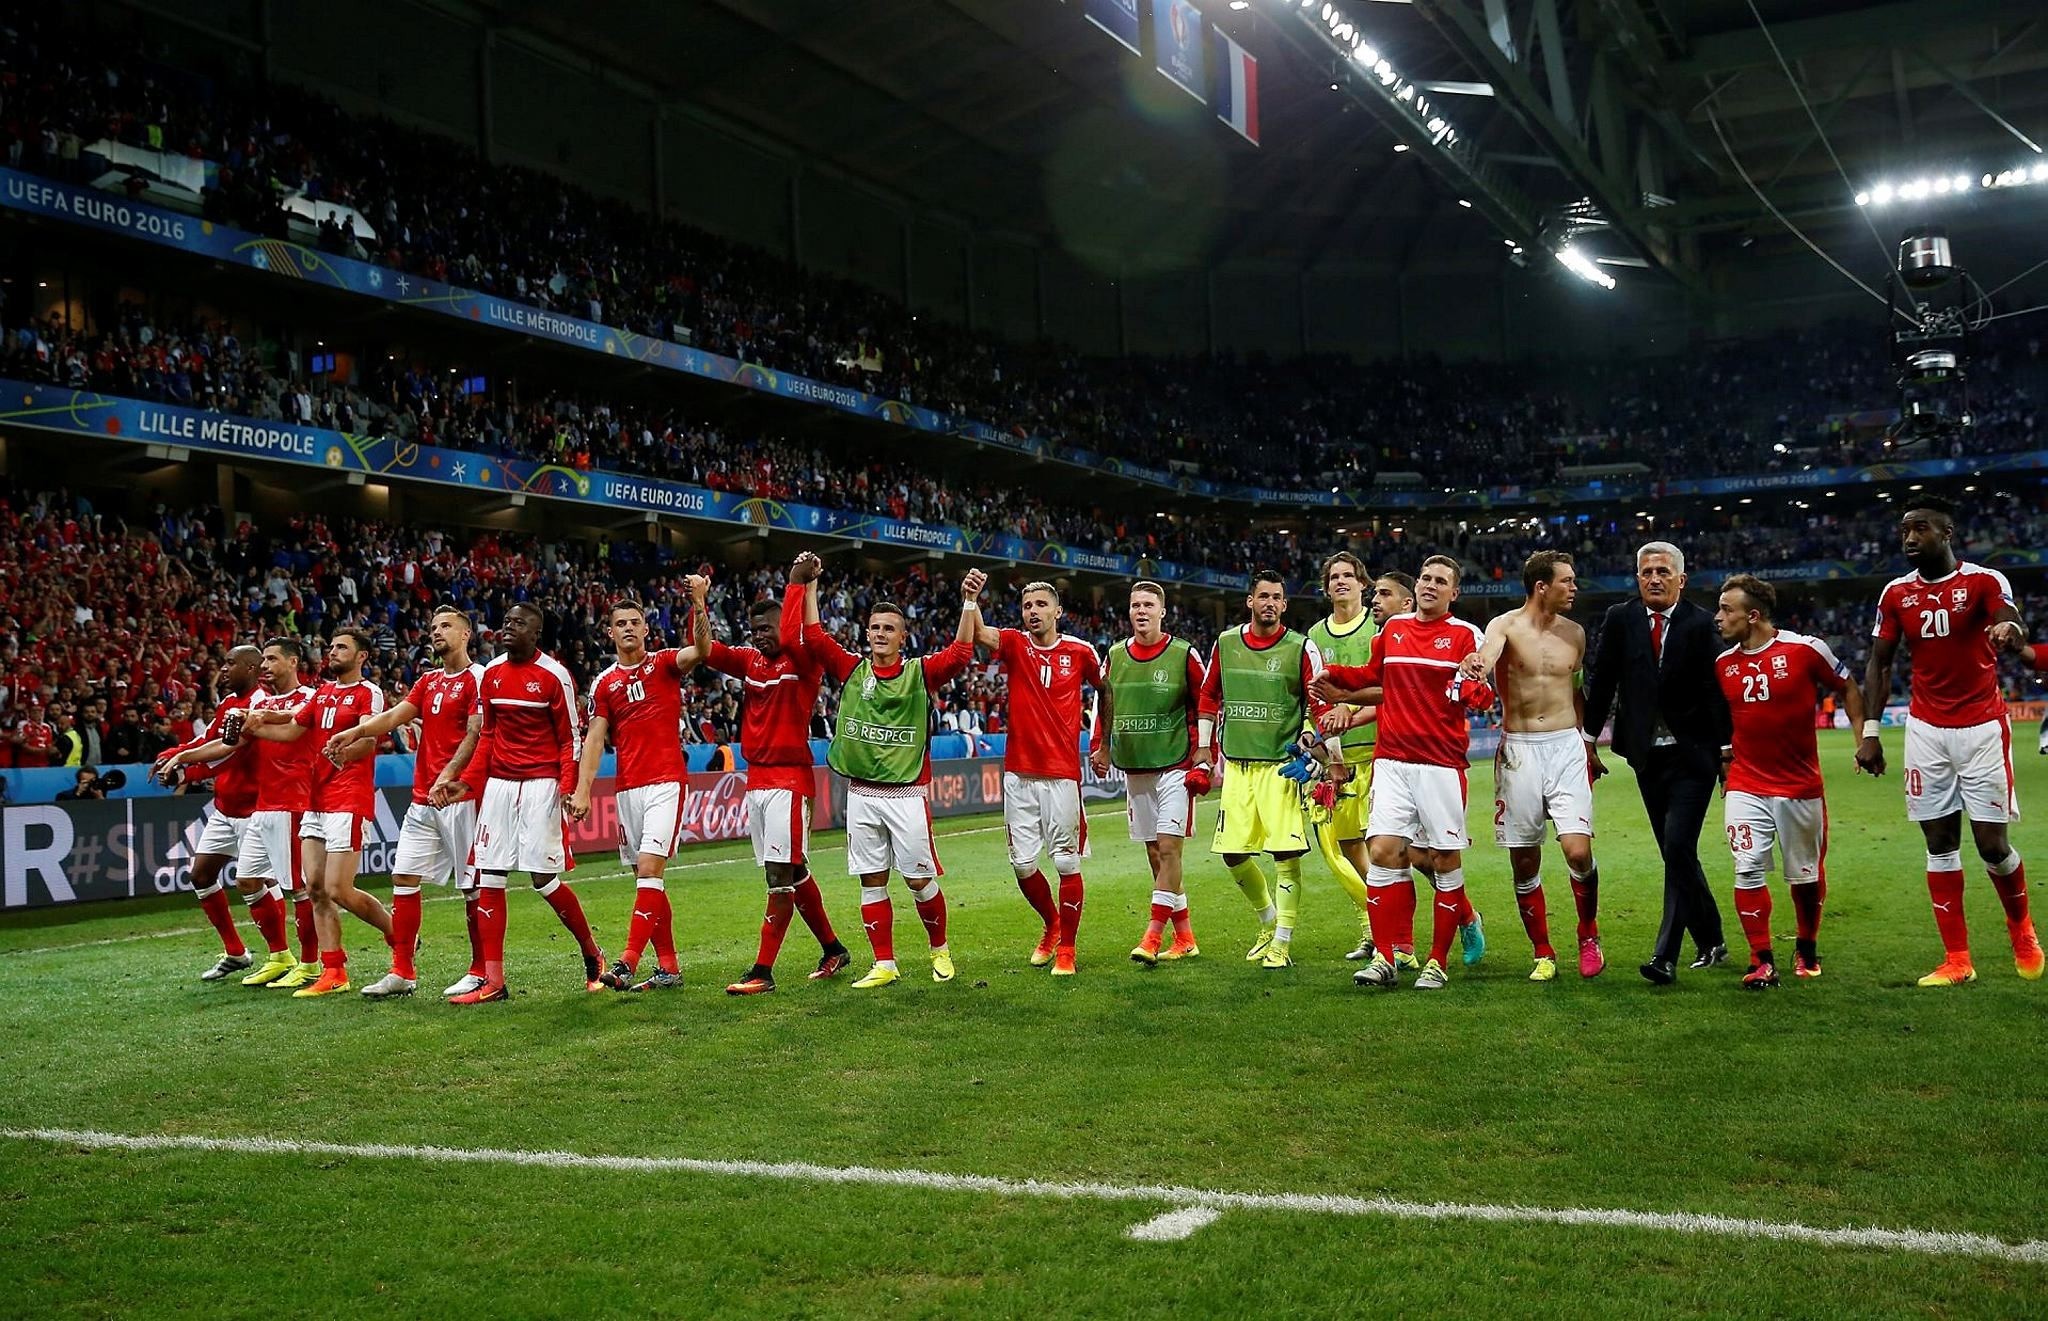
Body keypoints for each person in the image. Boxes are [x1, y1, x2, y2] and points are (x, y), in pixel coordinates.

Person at [1859, 499, 2039, 985]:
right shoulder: (1896, 593)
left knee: (1991, 846)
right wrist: (1870, 733)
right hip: (1926, 730)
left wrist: (2008, 627)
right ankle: (1957, 960)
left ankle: (2021, 927)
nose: (1910, 537)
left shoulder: (1983, 580)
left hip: (1982, 727)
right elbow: (1879, 663)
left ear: (1947, 532)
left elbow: (2009, 618)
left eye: (1920, 529)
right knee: (1939, 842)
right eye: (1904, 531)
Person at [798, 561, 978, 989]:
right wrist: (810, 585)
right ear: (867, 633)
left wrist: (969, 601)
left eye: (888, 628)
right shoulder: (852, 670)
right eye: (874, 627)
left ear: (903, 636)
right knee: (871, 880)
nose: (879, 633)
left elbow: (960, 654)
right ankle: (884, 964)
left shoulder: (919, 673)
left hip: (905, 794)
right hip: (860, 792)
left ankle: (940, 951)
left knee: (919, 880)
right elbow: (814, 637)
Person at [1317, 555, 1487, 990]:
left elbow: (1481, 692)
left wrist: (1475, 688)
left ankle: (1437, 961)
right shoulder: (1393, 630)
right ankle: (1387, 957)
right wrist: (1334, 678)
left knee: (1444, 861)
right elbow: (1373, 677)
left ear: (1454, 592)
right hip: (1391, 762)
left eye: (1441, 581)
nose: (1431, 585)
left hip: (1441, 766)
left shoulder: (1466, 635)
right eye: (1427, 577)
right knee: (1382, 854)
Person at [430, 602, 607, 1004]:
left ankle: (592, 953)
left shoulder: (554, 676)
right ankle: (494, 982)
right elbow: (488, 736)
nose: (508, 628)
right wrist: (468, 783)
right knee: (488, 876)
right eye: (506, 621)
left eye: (519, 623)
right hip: (500, 787)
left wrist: (572, 789)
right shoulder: (491, 674)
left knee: (542, 880)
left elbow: (569, 739)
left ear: (536, 633)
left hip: (541, 787)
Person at [1584, 541, 1731, 985]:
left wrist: (1726, 752)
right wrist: (1588, 741)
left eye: (1663, 572)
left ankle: (1665, 954)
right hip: (1646, 755)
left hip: (1695, 755)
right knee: (1677, 850)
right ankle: (1713, 938)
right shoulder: (1621, 619)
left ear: (1681, 580)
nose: (1654, 578)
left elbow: (1715, 692)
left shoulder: (1703, 625)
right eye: (1646, 571)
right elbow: (1603, 679)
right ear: (1637, 578)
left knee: (1677, 846)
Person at [324, 604, 486, 999]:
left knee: (473, 886)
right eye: (433, 626)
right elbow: (397, 716)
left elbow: (476, 731)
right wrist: (354, 732)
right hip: (422, 798)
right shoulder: (428, 680)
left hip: (461, 798)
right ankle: (402, 971)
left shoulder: (478, 678)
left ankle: (482, 969)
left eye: (446, 626)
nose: (437, 632)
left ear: (466, 634)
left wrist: (451, 776)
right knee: (403, 879)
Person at [1713, 575, 1868, 988]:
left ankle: (1807, 944)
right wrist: (1724, 758)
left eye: (1727, 609)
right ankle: (1760, 959)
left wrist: (1863, 739)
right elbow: (1723, 720)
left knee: (1805, 877)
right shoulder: (1723, 664)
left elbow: (1848, 686)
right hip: (1746, 784)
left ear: (1753, 615)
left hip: (1799, 786)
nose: (1719, 617)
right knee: (1746, 869)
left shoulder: (1805, 649)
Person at [708, 554, 850, 995]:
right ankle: (833, 949)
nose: (759, 638)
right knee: (794, 871)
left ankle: (762, 972)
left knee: (778, 875)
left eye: (765, 629)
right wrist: (699, 604)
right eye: (753, 632)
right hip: (758, 779)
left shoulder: (804, 660)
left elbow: (794, 632)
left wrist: (797, 584)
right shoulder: (751, 661)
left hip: (790, 779)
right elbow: (708, 651)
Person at [1460, 550, 1604, 981]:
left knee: (1578, 851)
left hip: (1565, 746)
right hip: (1520, 749)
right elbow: (1488, 654)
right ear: (1542, 586)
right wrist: (1477, 667)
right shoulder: (1504, 625)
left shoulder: (1576, 633)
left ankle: (1588, 933)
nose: (1574, 588)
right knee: (1524, 862)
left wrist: (1588, 745)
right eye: (1567, 581)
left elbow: (1576, 691)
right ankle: (1543, 951)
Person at [237, 629, 396, 998]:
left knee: (339, 889)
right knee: (315, 890)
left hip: (349, 798)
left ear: (361, 657)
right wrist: (257, 727)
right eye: (331, 646)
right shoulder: (323, 693)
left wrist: (345, 753)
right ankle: (334, 970)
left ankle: (397, 933)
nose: (333, 651)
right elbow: (294, 727)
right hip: (315, 800)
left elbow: (371, 740)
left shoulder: (367, 692)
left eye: (342, 647)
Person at [570, 580, 710, 992]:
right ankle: (668, 967)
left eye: (635, 622)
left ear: (646, 629)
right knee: (646, 880)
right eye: (620, 623)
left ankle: (628, 960)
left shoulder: (665, 663)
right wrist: (582, 789)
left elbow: (701, 650)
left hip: (665, 781)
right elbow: (595, 738)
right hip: (627, 788)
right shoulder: (604, 683)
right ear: (610, 632)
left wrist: (698, 603)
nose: (629, 628)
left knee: (650, 870)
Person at [160, 639, 319, 988]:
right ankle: (277, 956)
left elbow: (292, 724)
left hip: (282, 803)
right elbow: (223, 743)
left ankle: (316, 963)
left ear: (292, 663)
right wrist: (182, 758)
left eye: (270, 659)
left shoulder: (294, 699)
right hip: (241, 806)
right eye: (262, 660)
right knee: (235, 878)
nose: (225, 669)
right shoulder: (235, 704)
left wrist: (256, 719)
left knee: (301, 887)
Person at [1194, 568, 1327, 970]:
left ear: (1284, 605)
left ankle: (1282, 944)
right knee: (1232, 853)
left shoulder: (1301, 647)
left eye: (1276, 597)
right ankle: (1268, 921)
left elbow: (1317, 701)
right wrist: (1204, 748)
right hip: (1237, 764)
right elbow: (1208, 694)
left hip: (1280, 766)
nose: (1269, 603)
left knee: (1285, 853)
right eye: (1262, 596)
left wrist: (1310, 739)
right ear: (1250, 601)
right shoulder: (1226, 642)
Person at [968, 578, 1103, 974]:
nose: (1033, 611)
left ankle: (1068, 950)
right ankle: (1052, 924)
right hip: (1018, 776)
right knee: (1023, 865)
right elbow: (977, 632)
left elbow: (1105, 689)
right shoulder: (1013, 643)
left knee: (1065, 864)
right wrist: (972, 599)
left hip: (1061, 776)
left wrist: (1104, 745)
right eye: (1027, 605)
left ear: (1057, 611)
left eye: (1041, 604)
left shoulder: (1079, 651)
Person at [1090, 580, 1206, 964]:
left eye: (1148, 605)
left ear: (1162, 612)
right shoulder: (1116, 655)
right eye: (1135, 605)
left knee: (1170, 848)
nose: (1141, 611)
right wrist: (1101, 746)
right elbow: (1103, 703)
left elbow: (1206, 704)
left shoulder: (1183, 654)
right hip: (1135, 766)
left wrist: (1204, 758)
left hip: (1175, 764)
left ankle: (1153, 937)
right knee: (1156, 854)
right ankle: (1185, 937)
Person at [1302, 553, 1383, 963]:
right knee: (1344, 850)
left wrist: (1347, 713)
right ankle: (1375, 924)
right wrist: (1318, 740)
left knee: (1391, 851)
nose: (1341, 582)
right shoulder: (1315, 634)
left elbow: (1389, 688)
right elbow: (1313, 694)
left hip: (1380, 752)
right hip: (1337, 758)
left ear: (1362, 583)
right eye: (1333, 577)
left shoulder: (1378, 626)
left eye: (1349, 576)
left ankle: (1395, 928)